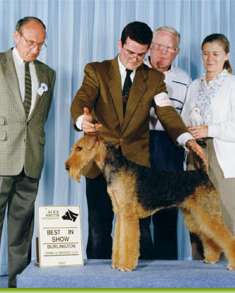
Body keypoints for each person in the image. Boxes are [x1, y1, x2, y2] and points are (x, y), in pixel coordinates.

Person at [70, 21, 205, 260]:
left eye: (141, 55)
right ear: (120, 44)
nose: (134, 59)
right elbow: (83, 98)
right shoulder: (97, 70)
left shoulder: (153, 78)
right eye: (130, 52)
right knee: (99, 229)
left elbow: (166, 113)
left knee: (141, 232)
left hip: (136, 166)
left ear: (147, 51)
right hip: (100, 164)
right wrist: (82, 119)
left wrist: (187, 140)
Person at [0, 16, 56, 288]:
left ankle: (20, 284)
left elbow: (39, 120)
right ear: (16, 36)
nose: (35, 49)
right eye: (31, 42)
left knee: (21, 232)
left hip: (30, 161)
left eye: (41, 44)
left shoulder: (47, 74)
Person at [181, 33, 235, 260]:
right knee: (195, 211)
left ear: (226, 56)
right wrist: (189, 139)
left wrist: (209, 130)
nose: (210, 58)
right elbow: (182, 120)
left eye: (216, 54)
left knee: (223, 210)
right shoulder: (194, 85)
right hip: (194, 153)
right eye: (205, 53)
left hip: (221, 154)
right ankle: (200, 263)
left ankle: (230, 265)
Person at [143, 26, 192, 260]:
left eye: (169, 48)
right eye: (159, 46)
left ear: (177, 52)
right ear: (150, 48)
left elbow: (187, 116)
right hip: (138, 143)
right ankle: (138, 265)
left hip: (169, 145)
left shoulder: (184, 79)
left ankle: (168, 269)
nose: (163, 52)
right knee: (139, 209)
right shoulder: (136, 71)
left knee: (167, 209)